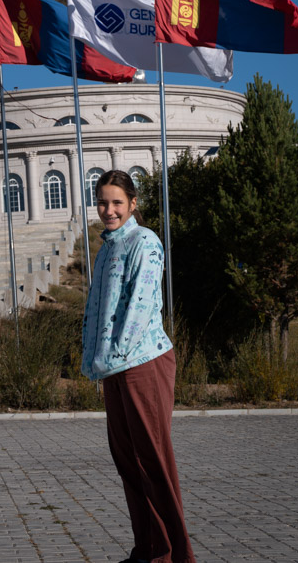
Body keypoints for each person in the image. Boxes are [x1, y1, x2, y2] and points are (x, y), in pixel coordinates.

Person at [81, 170, 196, 563]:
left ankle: (175, 556)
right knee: (128, 462)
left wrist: (112, 356)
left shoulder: (145, 242)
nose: (108, 210)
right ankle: (146, 550)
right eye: (102, 202)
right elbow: (97, 310)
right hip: (114, 367)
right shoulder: (107, 248)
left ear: (132, 204)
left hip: (143, 362)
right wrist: (95, 359)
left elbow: (139, 307)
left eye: (116, 202)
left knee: (154, 463)